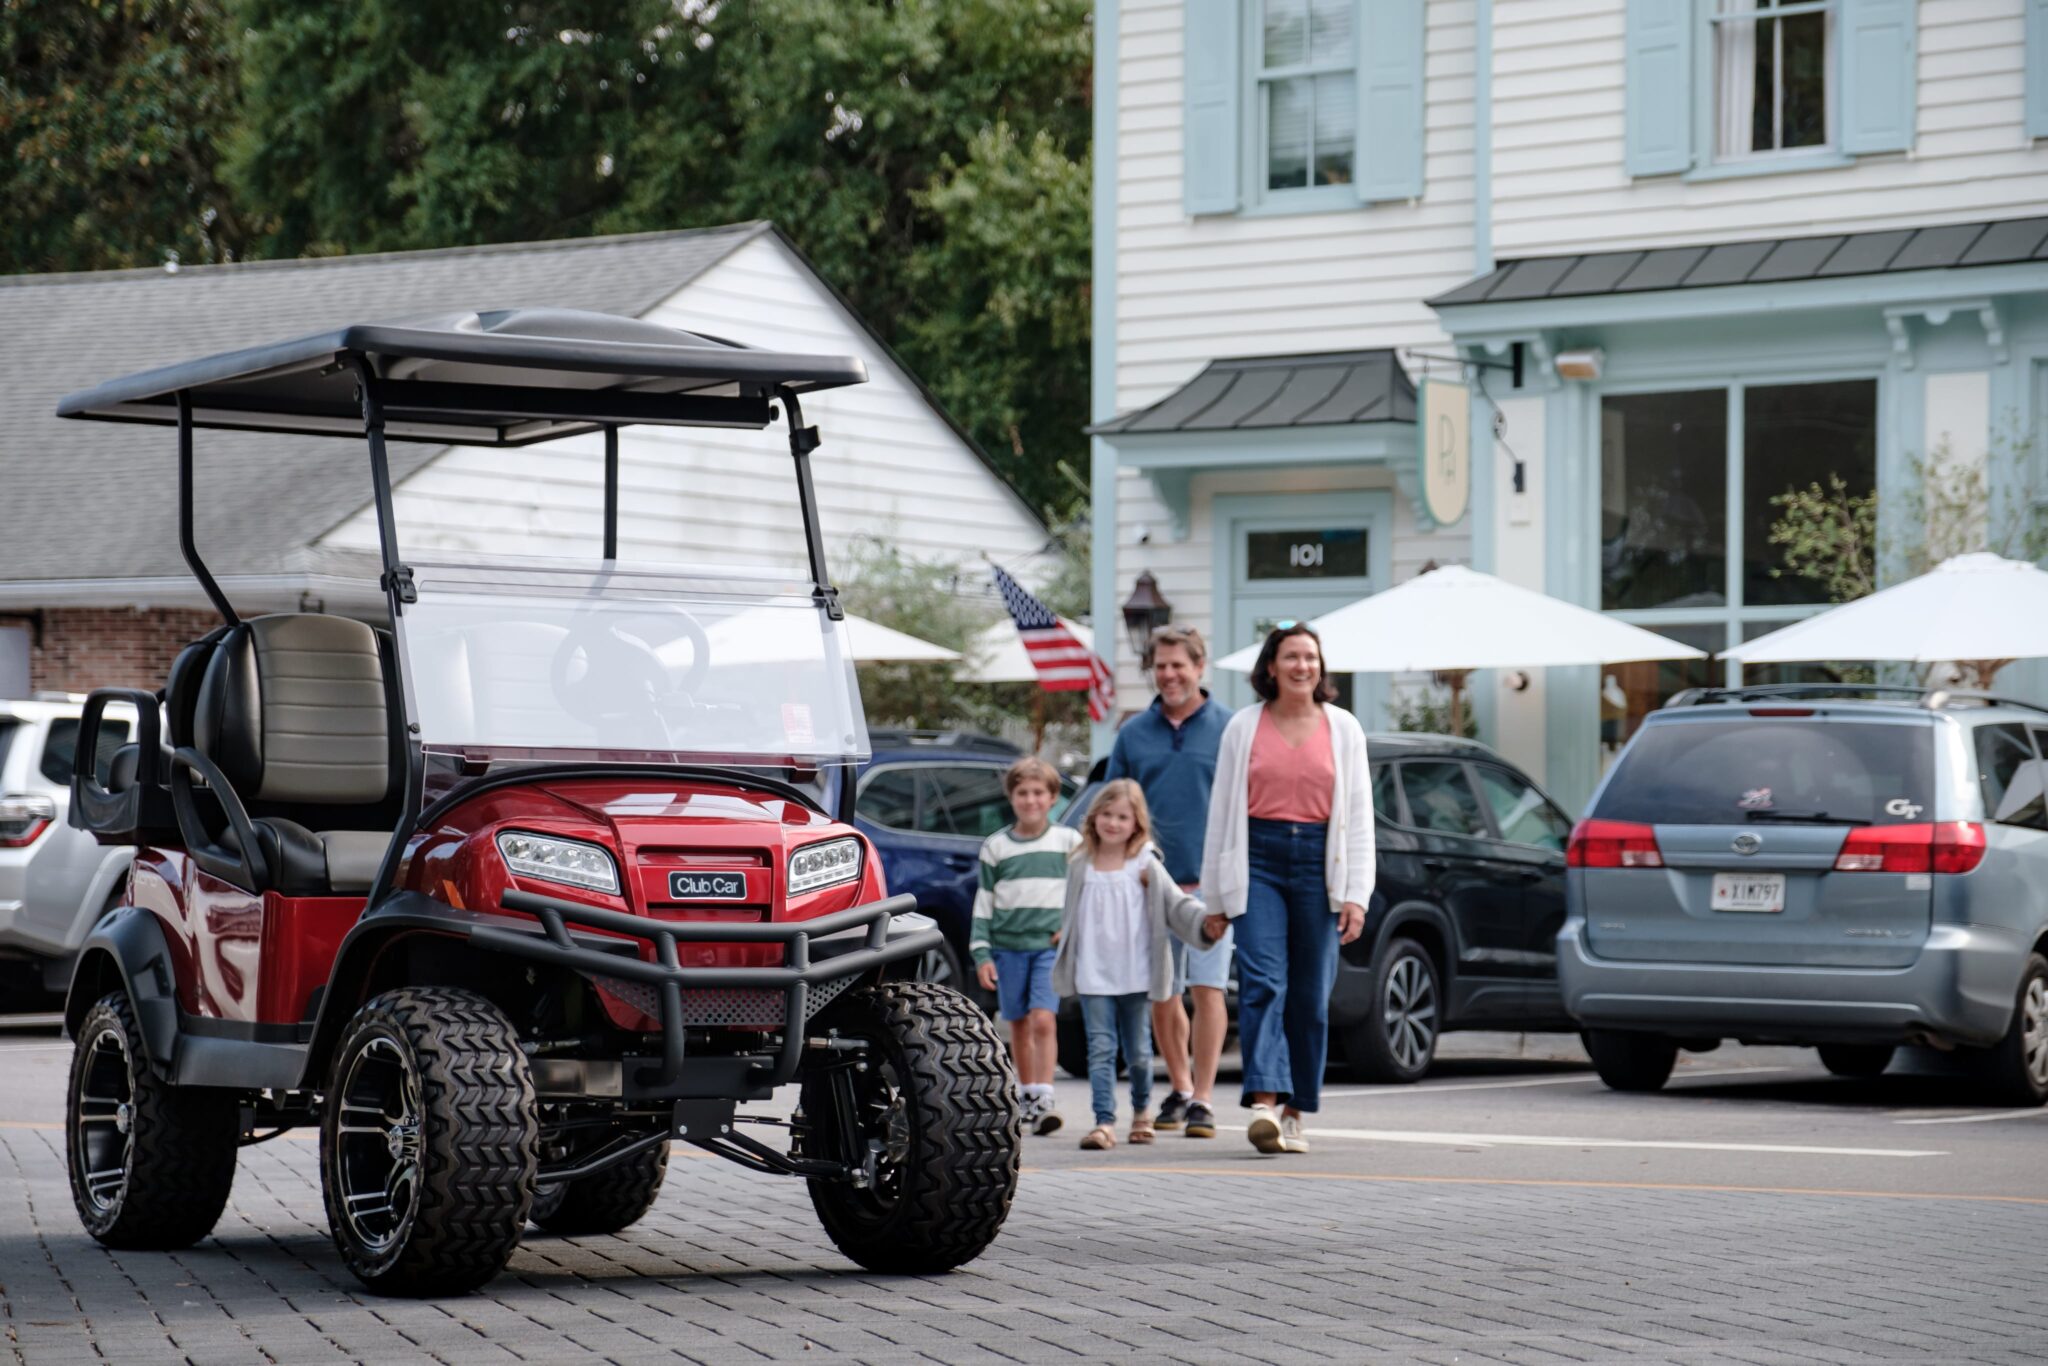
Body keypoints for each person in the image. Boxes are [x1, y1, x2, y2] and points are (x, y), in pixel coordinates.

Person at [1200, 622, 1372, 1155]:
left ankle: (1298, 1109)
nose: (1303, 666)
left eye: (1311, 657)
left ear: (1321, 668)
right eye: (1292, 657)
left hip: (1321, 865)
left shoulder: (1344, 729)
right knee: (1262, 983)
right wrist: (1215, 899)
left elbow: (1361, 817)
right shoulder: (1243, 727)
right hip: (1259, 862)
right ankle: (1265, 1104)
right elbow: (1222, 814)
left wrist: (1357, 894)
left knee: (1310, 996)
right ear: (1270, 667)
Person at [1106, 624, 1233, 1139]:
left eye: (1179, 665)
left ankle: (1203, 1097)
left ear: (1200, 667)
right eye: (1161, 666)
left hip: (1213, 887)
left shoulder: (1229, 728)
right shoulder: (1133, 734)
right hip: (1150, 886)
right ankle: (1178, 1086)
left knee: (1207, 989)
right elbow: (1110, 803)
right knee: (1162, 992)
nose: (1170, 674)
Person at [1052, 779, 1213, 1151]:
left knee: (1139, 1052)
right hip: (1094, 973)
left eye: (1122, 817)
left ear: (1136, 823)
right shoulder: (1081, 864)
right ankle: (1103, 1121)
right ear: (1093, 819)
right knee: (1101, 1048)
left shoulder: (1145, 863)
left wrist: (1207, 922)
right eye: (1106, 814)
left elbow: (1176, 904)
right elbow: (1070, 912)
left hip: (1136, 973)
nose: (1113, 823)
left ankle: (1141, 1113)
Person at [971, 755, 1082, 1135]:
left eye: (1039, 792)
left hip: (1047, 947)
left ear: (1053, 798)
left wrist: (1069, 929)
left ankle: (1045, 1093)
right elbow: (984, 901)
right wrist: (981, 951)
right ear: (1011, 797)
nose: (1030, 800)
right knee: (1016, 1021)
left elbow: (1082, 892)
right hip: (1007, 946)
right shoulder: (996, 846)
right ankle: (1027, 1091)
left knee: (1043, 1018)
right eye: (1022, 793)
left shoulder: (1069, 842)